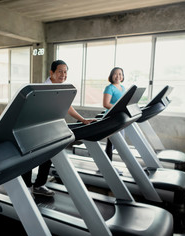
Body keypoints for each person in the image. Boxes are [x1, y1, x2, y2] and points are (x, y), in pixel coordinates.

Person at [22, 60, 95, 197]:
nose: (63, 74)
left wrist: (83, 120)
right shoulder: (42, 89)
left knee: (48, 157)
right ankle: (25, 186)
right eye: (60, 71)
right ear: (52, 73)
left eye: (65, 72)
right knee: (30, 158)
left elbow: (68, 107)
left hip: (49, 129)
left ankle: (39, 185)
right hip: (34, 129)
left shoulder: (62, 87)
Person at [103, 67, 126, 164]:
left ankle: (108, 164)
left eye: (120, 74)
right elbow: (106, 104)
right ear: (111, 76)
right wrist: (119, 108)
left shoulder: (123, 88)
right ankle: (107, 164)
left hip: (120, 117)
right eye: (115, 74)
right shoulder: (109, 88)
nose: (118, 76)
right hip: (111, 117)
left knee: (118, 142)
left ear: (123, 76)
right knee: (111, 142)